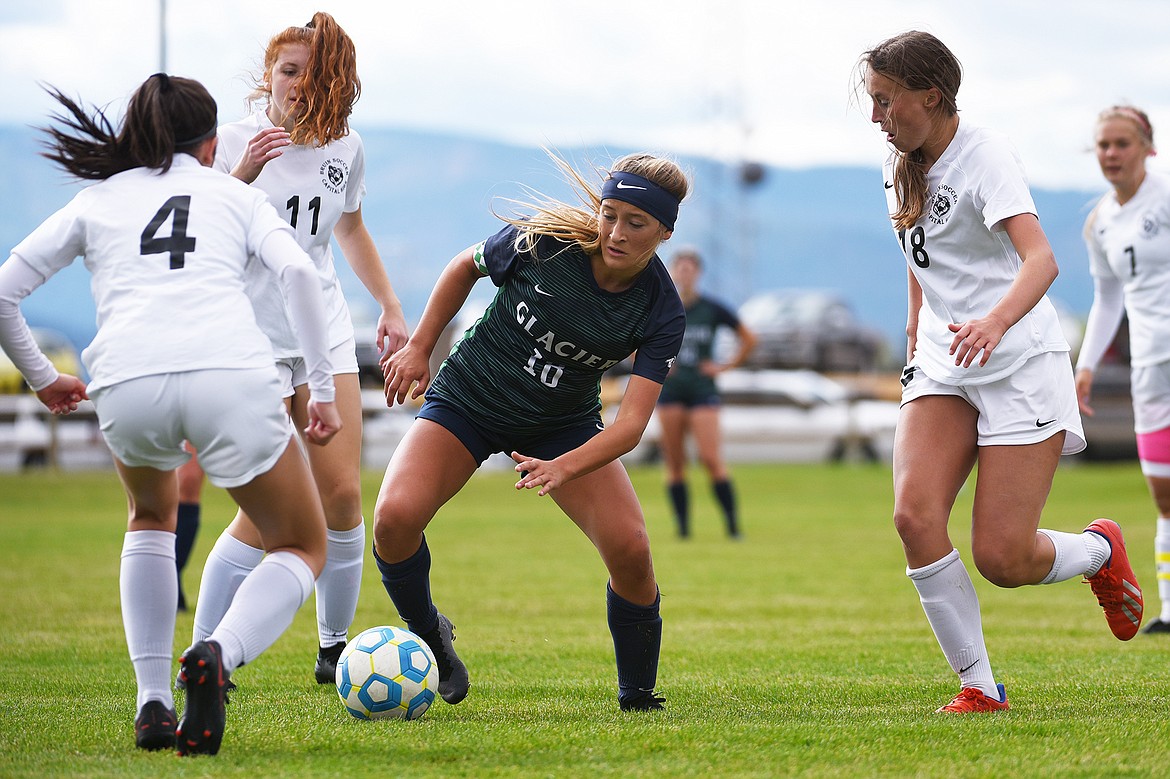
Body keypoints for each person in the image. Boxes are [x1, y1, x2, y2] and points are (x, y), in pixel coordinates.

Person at [0, 74, 339, 755]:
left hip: (126, 378)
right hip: (231, 374)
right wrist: (323, 387)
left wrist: (43, 379)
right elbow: (299, 275)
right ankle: (217, 650)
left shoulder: (101, 199)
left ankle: (152, 702)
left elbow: (6, 291)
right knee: (302, 544)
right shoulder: (232, 195)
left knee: (149, 518)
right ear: (213, 144)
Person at [858, 30, 1144, 713]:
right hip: (942, 360)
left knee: (1004, 558)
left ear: (932, 96)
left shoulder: (985, 154)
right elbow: (919, 255)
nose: (876, 117)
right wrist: (913, 330)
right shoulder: (898, 158)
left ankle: (1101, 551)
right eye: (871, 102)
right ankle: (980, 687)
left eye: (885, 101)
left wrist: (993, 321)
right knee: (913, 515)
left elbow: (1042, 260)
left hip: (1017, 360)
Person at [372, 150, 689, 712]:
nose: (615, 232)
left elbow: (633, 425)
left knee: (632, 551)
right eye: (608, 213)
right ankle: (431, 636)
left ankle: (638, 697)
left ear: (664, 231)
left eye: (635, 223)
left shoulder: (661, 308)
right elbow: (462, 267)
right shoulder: (544, 242)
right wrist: (420, 346)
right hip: (469, 399)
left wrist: (565, 465)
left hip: (559, 426)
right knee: (394, 521)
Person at [188, 10, 409, 685]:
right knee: (264, 515)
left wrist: (392, 307)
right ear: (267, 77)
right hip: (248, 339)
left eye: (311, 74)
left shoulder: (347, 147)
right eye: (287, 71)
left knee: (342, 495)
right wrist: (245, 172)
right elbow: (197, 233)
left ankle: (334, 649)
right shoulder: (231, 142)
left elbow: (349, 230)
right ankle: (204, 653)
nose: (297, 85)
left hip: (324, 333)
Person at [1076, 106, 1170, 634]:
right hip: (1151, 368)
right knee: (1164, 493)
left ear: (1147, 147)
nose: (1111, 154)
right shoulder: (1100, 222)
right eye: (1103, 145)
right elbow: (1107, 299)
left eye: (1121, 144)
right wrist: (1085, 364)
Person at [657, 248, 756, 539]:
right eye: (680, 268)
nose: (685, 274)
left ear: (698, 274)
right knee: (675, 464)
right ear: (673, 272)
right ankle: (683, 529)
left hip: (702, 389)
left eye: (690, 269)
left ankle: (732, 526)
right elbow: (633, 338)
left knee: (711, 459)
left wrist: (724, 367)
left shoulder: (710, 308)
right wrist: (653, 366)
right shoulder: (662, 306)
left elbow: (749, 338)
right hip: (672, 391)